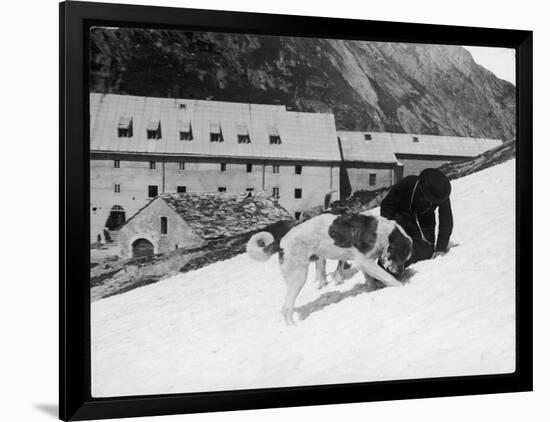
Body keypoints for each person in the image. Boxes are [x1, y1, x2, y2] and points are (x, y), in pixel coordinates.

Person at [380, 168, 453, 265]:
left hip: (425, 219)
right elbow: (387, 205)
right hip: (401, 215)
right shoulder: (408, 183)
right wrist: (388, 230)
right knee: (400, 245)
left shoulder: (441, 192)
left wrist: (441, 248)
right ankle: (389, 262)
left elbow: (446, 219)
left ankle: (405, 256)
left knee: (426, 252)